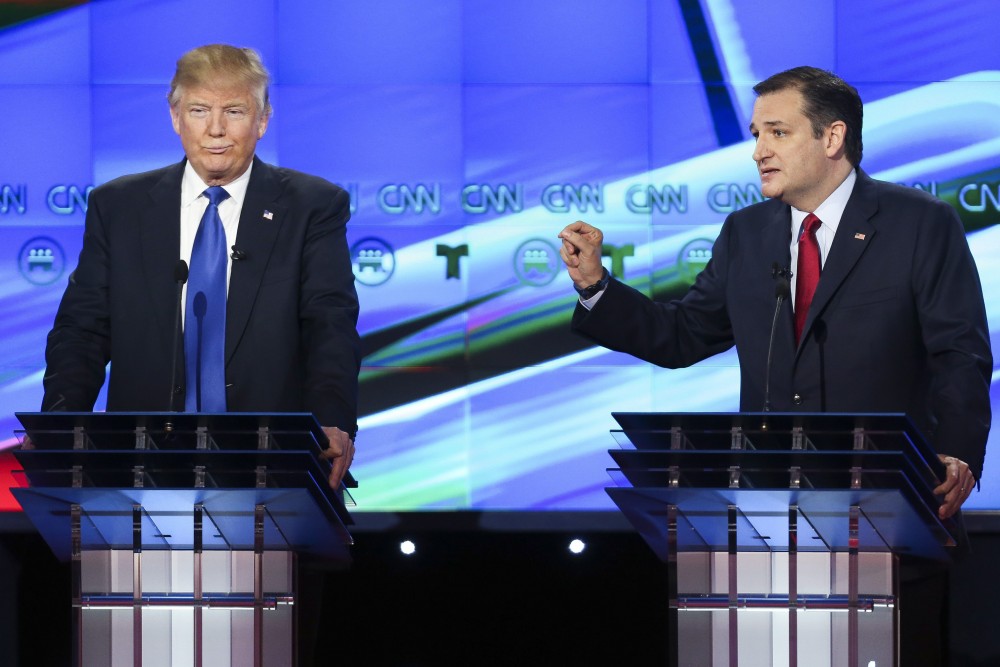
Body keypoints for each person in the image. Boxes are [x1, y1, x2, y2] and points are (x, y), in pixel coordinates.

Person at [559, 66, 991, 665]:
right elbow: (684, 335)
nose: (758, 151)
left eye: (777, 133)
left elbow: (960, 353)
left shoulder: (918, 223)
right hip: (766, 531)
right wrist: (597, 287)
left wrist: (958, 452)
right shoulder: (746, 233)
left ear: (831, 137)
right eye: (756, 134)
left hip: (885, 526)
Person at [39, 45, 361, 665]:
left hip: (266, 480)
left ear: (263, 119)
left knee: (257, 654)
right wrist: (61, 425)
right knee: (138, 653)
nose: (215, 129)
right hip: (138, 481)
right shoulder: (120, 206)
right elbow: (83, 329)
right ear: (174, 115)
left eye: (234, 111)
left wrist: (333, 420)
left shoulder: (311, 206)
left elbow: (330, 323)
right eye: (199, 110)